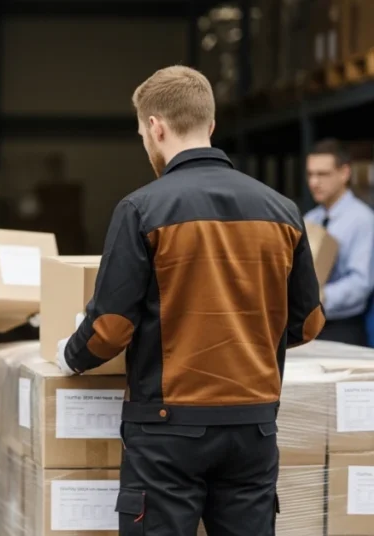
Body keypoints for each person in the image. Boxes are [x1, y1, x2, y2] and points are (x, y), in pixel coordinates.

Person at [56, 66, 325, 535]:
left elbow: (111, 328)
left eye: (142, 134)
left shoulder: (141, 209)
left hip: (167, 433)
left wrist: (70, 355)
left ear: (155, 127)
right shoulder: (282, 211)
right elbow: (308, 324)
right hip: (253, 429)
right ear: (211, 125)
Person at [303, 138, 374, 346]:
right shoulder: (310, 218)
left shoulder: (363, 220)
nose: (314, 182)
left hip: (343, 329)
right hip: (309, 324)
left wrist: (319, 297)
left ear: (344, 173)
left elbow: (361, 283)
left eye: (322, 174)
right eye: (310, 174)